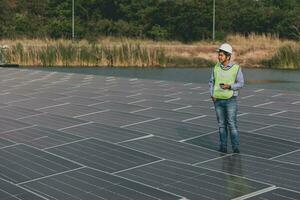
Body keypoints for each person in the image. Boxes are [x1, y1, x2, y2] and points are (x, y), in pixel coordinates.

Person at [209, 43, 244, 153]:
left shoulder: (236, 68)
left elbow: (241, 83)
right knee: (221, 125)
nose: (219, 57)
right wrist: (212, 94)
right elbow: (211, 82)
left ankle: (235, 147)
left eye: (221, 55)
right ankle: (223, 147)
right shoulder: (216, 68)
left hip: (230, 100)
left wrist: (230, 86)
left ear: (228, 56)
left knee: (232, 124)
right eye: (219, 55)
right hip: (218, 100)